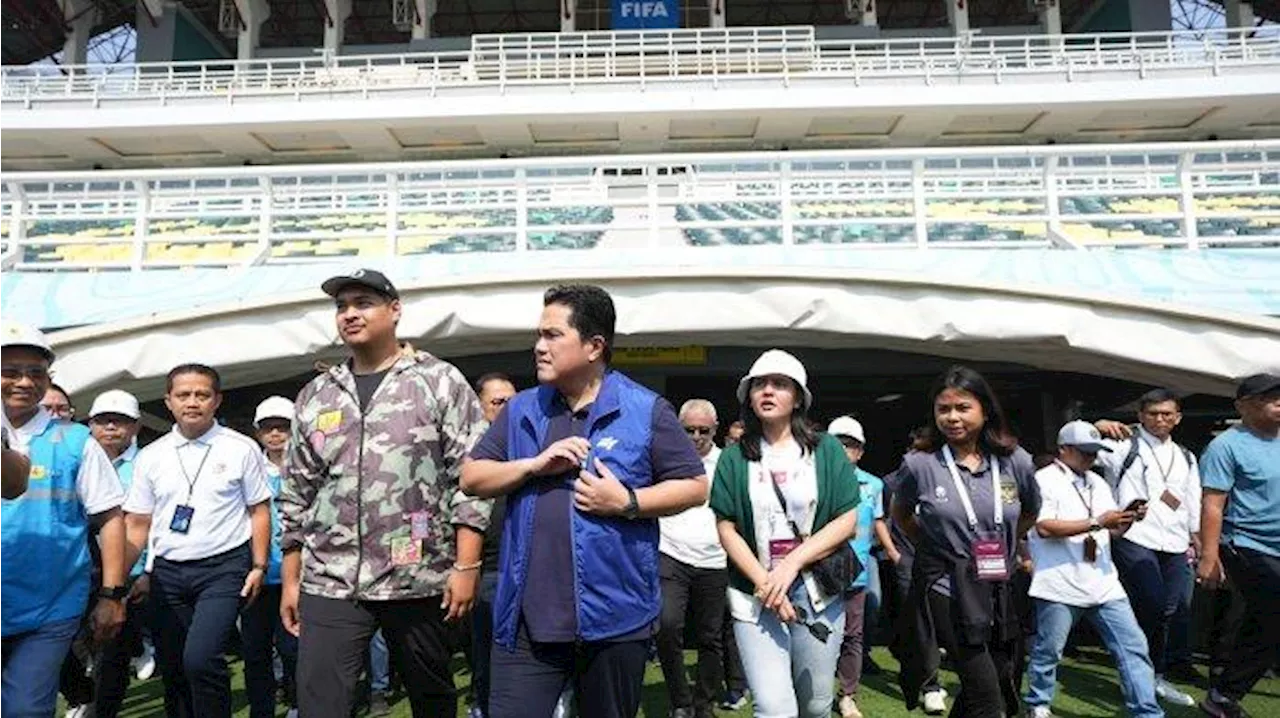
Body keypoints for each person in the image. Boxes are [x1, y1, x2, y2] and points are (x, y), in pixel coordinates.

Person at [461, 284, 708, 718]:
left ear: (595, 345)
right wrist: (533, 465)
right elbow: (471, 477)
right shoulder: (521, 410)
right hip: (526, 621)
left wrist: (628, 501)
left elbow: (693, 485)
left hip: (616, 621)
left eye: (553, 335)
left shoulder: (645, 409)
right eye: (539, 334)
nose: (539, 347)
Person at [279, 269, 492, 718]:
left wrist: (466, 565)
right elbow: (296, 489)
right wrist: (293, 579)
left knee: (432, 700)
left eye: (363, 303)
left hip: (417, 575)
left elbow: (471, 479)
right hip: (330, 578)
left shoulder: (439, 380)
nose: (350, 314)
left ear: (395, 311)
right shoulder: (318, 394)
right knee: (320, 705)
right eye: (342, 306)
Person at [708, 349, 859, 718]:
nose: (768, 391)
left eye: (779, 385)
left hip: (817, 591)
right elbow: (725, 526)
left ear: (798, 398)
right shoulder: (734, 457)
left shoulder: (826, 451)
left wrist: (791, 563)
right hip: (755, 593)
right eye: (760, 384)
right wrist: (766, 581)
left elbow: (847, 519)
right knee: (775, 709)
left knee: (815, 705)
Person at [123, 363, 273, 718]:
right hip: (167, 572)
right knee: (174, 667)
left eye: (202, 395)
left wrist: (259, 565)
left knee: (201, 659)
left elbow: (259, 510)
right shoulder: (152, 455)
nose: (193, 402)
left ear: (217, 400)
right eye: (183, 395)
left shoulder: (241, 448)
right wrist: (129, 576)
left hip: (223, 568)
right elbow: (141, 521)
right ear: (168, 401)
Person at [892, 365, 1040, 718]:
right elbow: (902, 515)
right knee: (988, 699)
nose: (952, 417)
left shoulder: (1014, 460)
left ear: (985, 410)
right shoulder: (919, 464)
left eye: (963, 408)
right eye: (944, 409)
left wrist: (1004, 547)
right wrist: (940, 547)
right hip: (947, 586)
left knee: (1000, 682)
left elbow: (1030, 512)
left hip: (999, 583)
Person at [0, 322, 128, 717]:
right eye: (12, 371)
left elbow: (110, 517)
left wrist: (112, 594)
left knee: (25, 709)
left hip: (49, 606)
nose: (24, 382)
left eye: (36, 373)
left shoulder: (76, 442)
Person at [1022, 420, 1163, 718]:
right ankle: (1038, 703)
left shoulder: (1096, 481)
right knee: (1049, 651)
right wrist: (1100, 522)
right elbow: (1044, 527)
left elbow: (1110, 532)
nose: (1090, 458)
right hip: (1059, 581)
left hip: (1103, 581)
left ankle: (1146, 712)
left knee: (1133, 647)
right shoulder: (1043, 480)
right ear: (1063, 449)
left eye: (1094, 452)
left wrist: (1126, 520)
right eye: (1084, 451)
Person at [1094, 389, 1200, 707]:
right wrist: (1096, 426)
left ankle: (1153, 677)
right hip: (1134, 536)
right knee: (1150, 606)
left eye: (1167, 413)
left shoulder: (1185, 455)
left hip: (1175, 540)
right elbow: (1070, 442)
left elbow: (1192, 501)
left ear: (1178, 418)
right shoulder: (1123, 443)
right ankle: (1137, 677)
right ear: (1140, 415)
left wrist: (1199, 542)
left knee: (1170, 610)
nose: (1160, 419)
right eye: (1153, 413)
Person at [1197, 374, 1280, 718]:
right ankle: (1224, 693)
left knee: (1265, 618)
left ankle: (1224, 691)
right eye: (1270, 398)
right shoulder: (1225, 446)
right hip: (1246, 542)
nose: (1279, 404)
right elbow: (1213, 504)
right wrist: (1209, 555)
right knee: (1274, 611)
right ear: (1243, 406)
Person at [87, 389, 158, 718]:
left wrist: (148, 572)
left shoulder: (149, 463)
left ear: (137, 426)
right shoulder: (80, 459)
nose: (111, 427)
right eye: (103, 420)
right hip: (81, 569)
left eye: (121, 421)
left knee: (110, 653)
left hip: (132, 571)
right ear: (90, 424)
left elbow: (156, 523)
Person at [656, 399, 729, 718]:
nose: (697, 436)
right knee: (666, 625)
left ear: (715, 429)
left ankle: (704, 703)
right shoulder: (662, 461)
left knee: (710, 637)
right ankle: (680, 702)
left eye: (704, 430)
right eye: (689, 430)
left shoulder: (728, 463)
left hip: (716, 559)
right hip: (670, 553)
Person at [884, 426, 950, 716]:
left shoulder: (952, 479)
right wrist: (897, 554)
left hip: (950, 565)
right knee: (923, 627)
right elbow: (887, 520)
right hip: (911, 562)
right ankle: (930, 686)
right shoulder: (892, 482)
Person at [243, 396, 300, 718]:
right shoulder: (250, 468)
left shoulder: (307, 467)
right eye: (268, 428)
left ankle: (297, 703)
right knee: (255, 651)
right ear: (258, 432)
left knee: (295, 648)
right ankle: (261, 710)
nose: (276, 434)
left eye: (283, 427)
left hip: (301, 574)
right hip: (258, 575)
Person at [827, 416, 888, 718]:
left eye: (851, 444)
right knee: (818, 633)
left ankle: (848, 694)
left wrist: (889, 550)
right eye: (837, 442)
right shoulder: (813, 480)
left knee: (853, 635)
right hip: (819, 568)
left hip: (857, 568)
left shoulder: (873, 484)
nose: (843, 449)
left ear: (860, 451)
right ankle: (814, 692)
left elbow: (876, 522)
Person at [471, 372, 517, 718]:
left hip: (530, 568)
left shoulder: (532, 444)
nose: (506, 408)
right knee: (487, 655)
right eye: (498, 402)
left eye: (512, 401)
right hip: (486, 571)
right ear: (480, 406)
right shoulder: (470, 453)